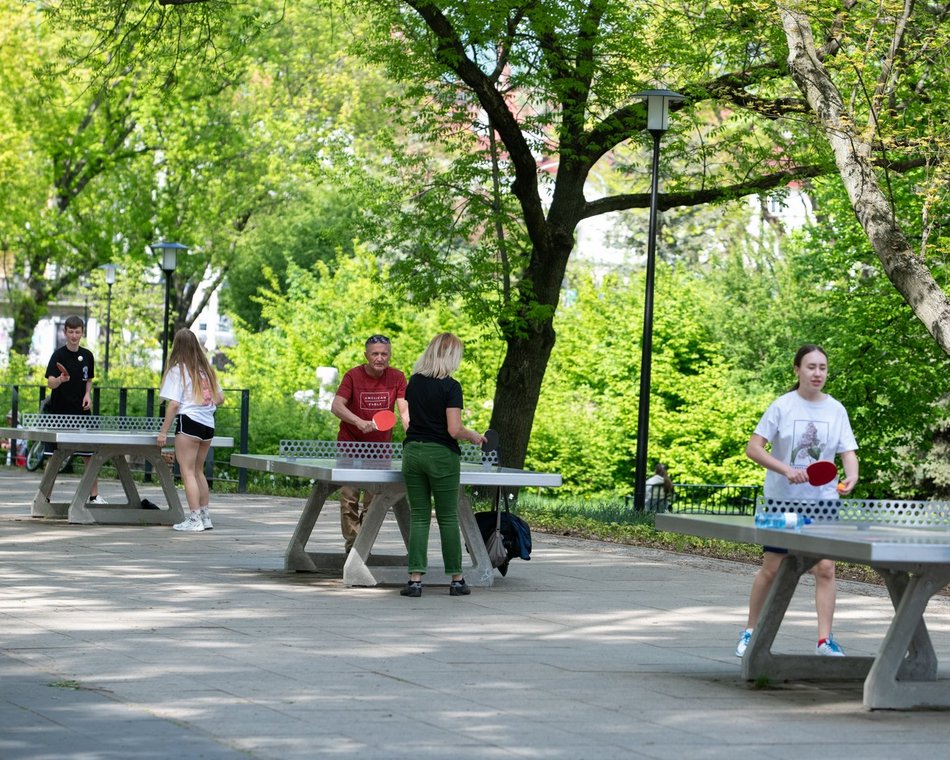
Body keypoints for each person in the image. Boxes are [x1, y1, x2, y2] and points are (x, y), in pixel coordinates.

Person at [736, 344, 859, 658]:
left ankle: (824, 641)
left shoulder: (836, 409)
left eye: (822, 367)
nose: (817, 373)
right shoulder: (782, 406)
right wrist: (786, 470)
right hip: (781, 502)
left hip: (824, 503)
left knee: (826, 568)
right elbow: (754, 448)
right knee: (772, 570)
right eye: (811, 367)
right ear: (797, 370)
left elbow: (848, 453)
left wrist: (851, 477)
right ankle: (751, 632)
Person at [400, 333, 486, 598]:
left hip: (413, 452)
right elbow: (453, 429)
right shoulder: (451, 387)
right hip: (441, 456)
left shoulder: (413, 383)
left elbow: (412, 419)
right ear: (451, 357)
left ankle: (415, 581)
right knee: (448, 517)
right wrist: (473, 436)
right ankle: (456, 580)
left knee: (419, 516)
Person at [331, 335, 409, 552]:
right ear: (366, 355)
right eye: (375, 353)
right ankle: (353, 546)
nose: (380, 358)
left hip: (379, 449)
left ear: (390, 355)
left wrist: (412, 433)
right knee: (349, 498)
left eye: (384, 354)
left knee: (374, 502)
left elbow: (404, 411)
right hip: (350, 445)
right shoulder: (352, 376)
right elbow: (336, 406)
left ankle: (362, 543)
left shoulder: (397, 377)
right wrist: (357, 421)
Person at [157, 329, 225, 532]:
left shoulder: (178, 370)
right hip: (207, 425)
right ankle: (205, 517)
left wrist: (163, 432)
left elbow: (174, 404)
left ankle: (194, 518)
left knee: (187, 472)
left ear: (176, 347)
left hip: (189, 422)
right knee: (198, 471)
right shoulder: (205, 369)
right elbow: (220, 398)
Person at [45, 316, 105, 503]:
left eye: (77, 332)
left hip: (81, 413)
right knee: (53, 457)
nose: (74, 335)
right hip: (59, 413)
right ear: (65, 332)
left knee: (89, 456)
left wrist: (88, 395)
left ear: (82, 332)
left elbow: (88, 380)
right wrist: (60, 380)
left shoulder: (88, 355)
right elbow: (50, 383)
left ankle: (94, 497)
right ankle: (44, 497)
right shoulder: (58, 355)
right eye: (70, 332)